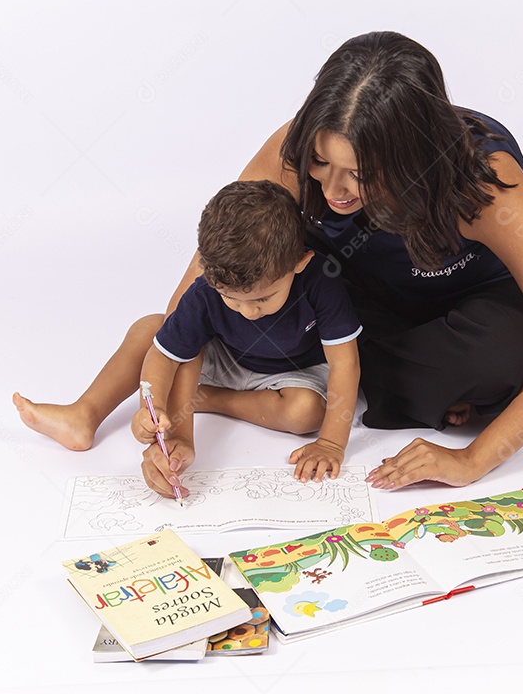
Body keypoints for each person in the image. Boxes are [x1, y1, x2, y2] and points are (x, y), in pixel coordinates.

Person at [14, 30, 523, 496]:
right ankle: (375, 382)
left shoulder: (484, 182)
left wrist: (473, 459)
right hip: (370, 291)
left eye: (361, 174)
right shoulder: (296, 153)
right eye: (323, 164)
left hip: (486, 299)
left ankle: (418, 389)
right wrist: (171, 407)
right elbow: (211, 274)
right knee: (278, 291)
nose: (335, 190)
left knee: (500, 355)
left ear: (413, 159)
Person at [131, 179, 362, 488]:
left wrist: (331, 444)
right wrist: (154, 409)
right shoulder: (207, 288)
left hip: (295, 370)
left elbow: (346, 364)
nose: (248, 311)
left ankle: (207, 399)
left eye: (262, 299)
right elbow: (165, 355)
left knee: (305, 413)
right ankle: (100, 411)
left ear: (300, 263)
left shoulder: (321, 279)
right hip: (227, 359)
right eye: (231, 299)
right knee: (153, 331)